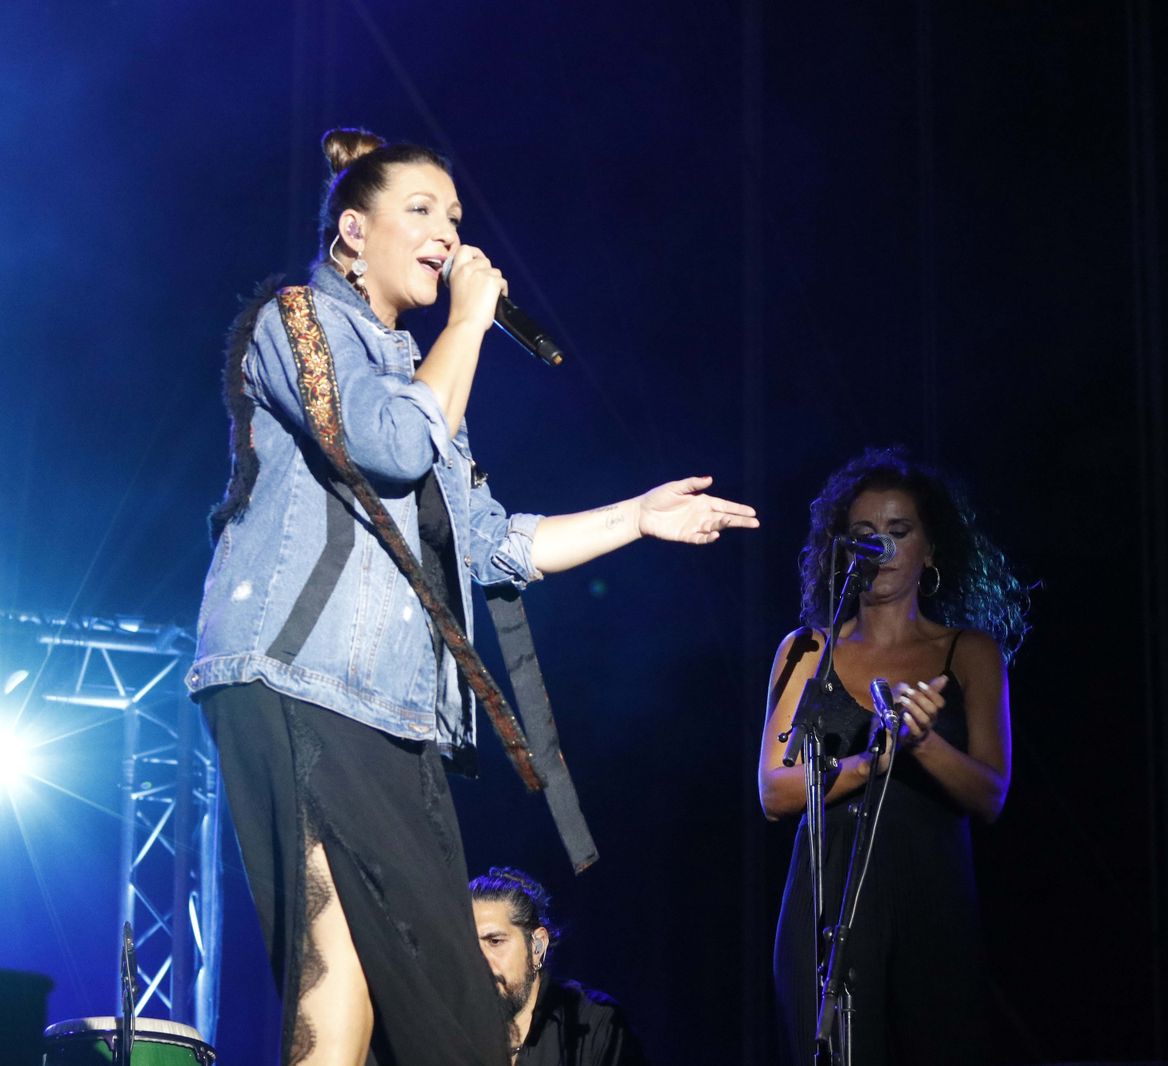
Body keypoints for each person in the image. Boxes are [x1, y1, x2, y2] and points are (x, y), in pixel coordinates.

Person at [188, 128, 757, 1066]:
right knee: (344, 965)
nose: (449, 233)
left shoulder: (424, 383)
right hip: (301, 677)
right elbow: (389, 447)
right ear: (349, 236)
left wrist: (636, 517)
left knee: (428, 991)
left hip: (400, 714)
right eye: (420, 211)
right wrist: (462, 326)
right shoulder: (298, 321)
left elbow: (493, 544)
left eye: (455, 217)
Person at [757, 447, 1028, 1066]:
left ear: (930, 550)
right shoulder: (806, 650)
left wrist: (922, 744)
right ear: (840, 549)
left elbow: (990, 795)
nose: (879, 546)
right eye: (864, 535)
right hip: (824, 904)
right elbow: (774, 791)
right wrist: (876, 757)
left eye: (898, 532)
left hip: (931, 902)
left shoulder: (969, 653)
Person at [470, 867, 646, 1066]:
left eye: (495, 941)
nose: (481, 961)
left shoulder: (596, 1021)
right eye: (472, 946)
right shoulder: (454, 1026)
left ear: (537, 946)